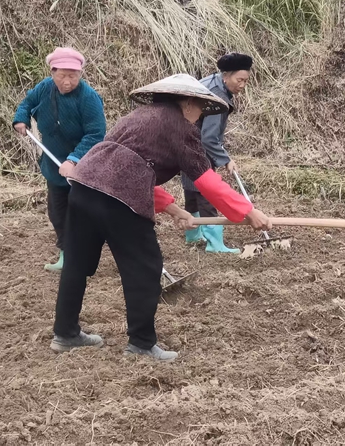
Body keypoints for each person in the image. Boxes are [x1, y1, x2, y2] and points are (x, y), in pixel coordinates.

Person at [49, 74, 272, 361]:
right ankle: (142, 343)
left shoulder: (138, 117)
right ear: (188, 103)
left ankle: (65, 333)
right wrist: (248, 212)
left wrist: (175, 209)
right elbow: (207, 181)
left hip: (84, 187)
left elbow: (125, 169)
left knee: (76, 263)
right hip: (119, 200)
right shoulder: (180, 126)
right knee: (145, 267)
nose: (200, 116)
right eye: (201, 108)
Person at [12, 47, 107, 271]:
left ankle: (85, 253)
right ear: (52, 72)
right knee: (58, 212)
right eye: (62, 75)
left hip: (83, 166)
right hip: (53, 162)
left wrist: (73, 160)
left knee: (81, 211)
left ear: (80, 74)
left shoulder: (88, 97)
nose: (67, 82)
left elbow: (96, 134)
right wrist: (21, 119)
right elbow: (26, 103)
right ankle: (66, 255)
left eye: (73, 76)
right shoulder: (45, 87)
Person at [182, 52, 252, 253]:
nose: (242, 85)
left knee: (191, 188)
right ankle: (214, 243)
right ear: (226, 76)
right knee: (207, 191)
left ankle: (192, 234)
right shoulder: (217, 96)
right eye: (239, 80)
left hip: (184, 141)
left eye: (246, 81)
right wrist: (226, 160)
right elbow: (209, 137)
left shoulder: (211, 81)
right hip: (196, 144)